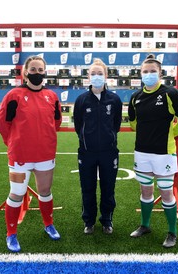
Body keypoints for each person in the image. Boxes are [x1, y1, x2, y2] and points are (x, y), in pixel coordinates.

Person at [0, 55, 62, 253]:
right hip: (20, 157)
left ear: (45, 72)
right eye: (32, 69)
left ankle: (48, 224)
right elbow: (2, 124)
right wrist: (16, 144)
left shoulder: (52, 96)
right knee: (16, 194)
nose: (36, 73)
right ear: (25, 73)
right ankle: (11, 234)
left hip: (45, 154)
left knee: (45, 191)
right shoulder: (13, 96)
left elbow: (56, 122)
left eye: (40, 69)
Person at [128, 54, 178, 248]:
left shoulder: (170, 93)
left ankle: (172, 232)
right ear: (140, 74)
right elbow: (133, 125)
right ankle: (145, 225)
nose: (149, 74)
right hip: (142, 153)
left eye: (152, 71)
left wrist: (168, 134)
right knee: (145, 191)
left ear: (160, 73)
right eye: (145, 72)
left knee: (166, 194)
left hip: (164, 153)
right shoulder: (135, 97)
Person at [73, 58, 123, 235]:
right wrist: (87, 141)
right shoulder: (81, 100)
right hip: (87, 153)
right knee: (88, 188)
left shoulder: (115, 100)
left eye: (99, 73)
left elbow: (116, 125)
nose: (96, 76)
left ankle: (107, 220)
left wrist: (108, 139)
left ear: (106, 76)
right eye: (93, 73)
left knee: (108, 188)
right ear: (88, 76)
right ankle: (89, 221)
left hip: (109, 153)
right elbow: (78, 125)